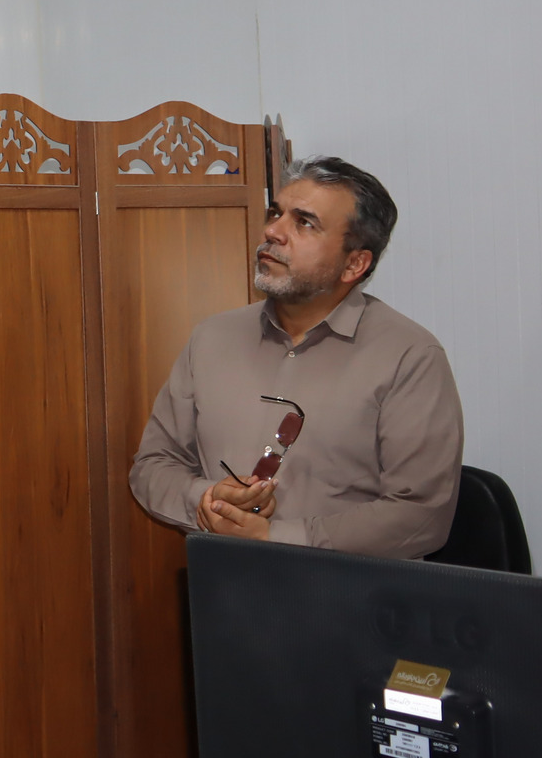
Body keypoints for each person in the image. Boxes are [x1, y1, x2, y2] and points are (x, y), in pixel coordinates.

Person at [129, 156, 462, 558]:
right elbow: (153, 464)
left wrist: (276, 538)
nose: (272, 231)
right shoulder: (211, 338)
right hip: (225, 587)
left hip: (348, 592)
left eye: (304, 222)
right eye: (276, 213)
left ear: (354, 263)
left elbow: (421, 515)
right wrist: (208, 499)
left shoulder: (409, 356)